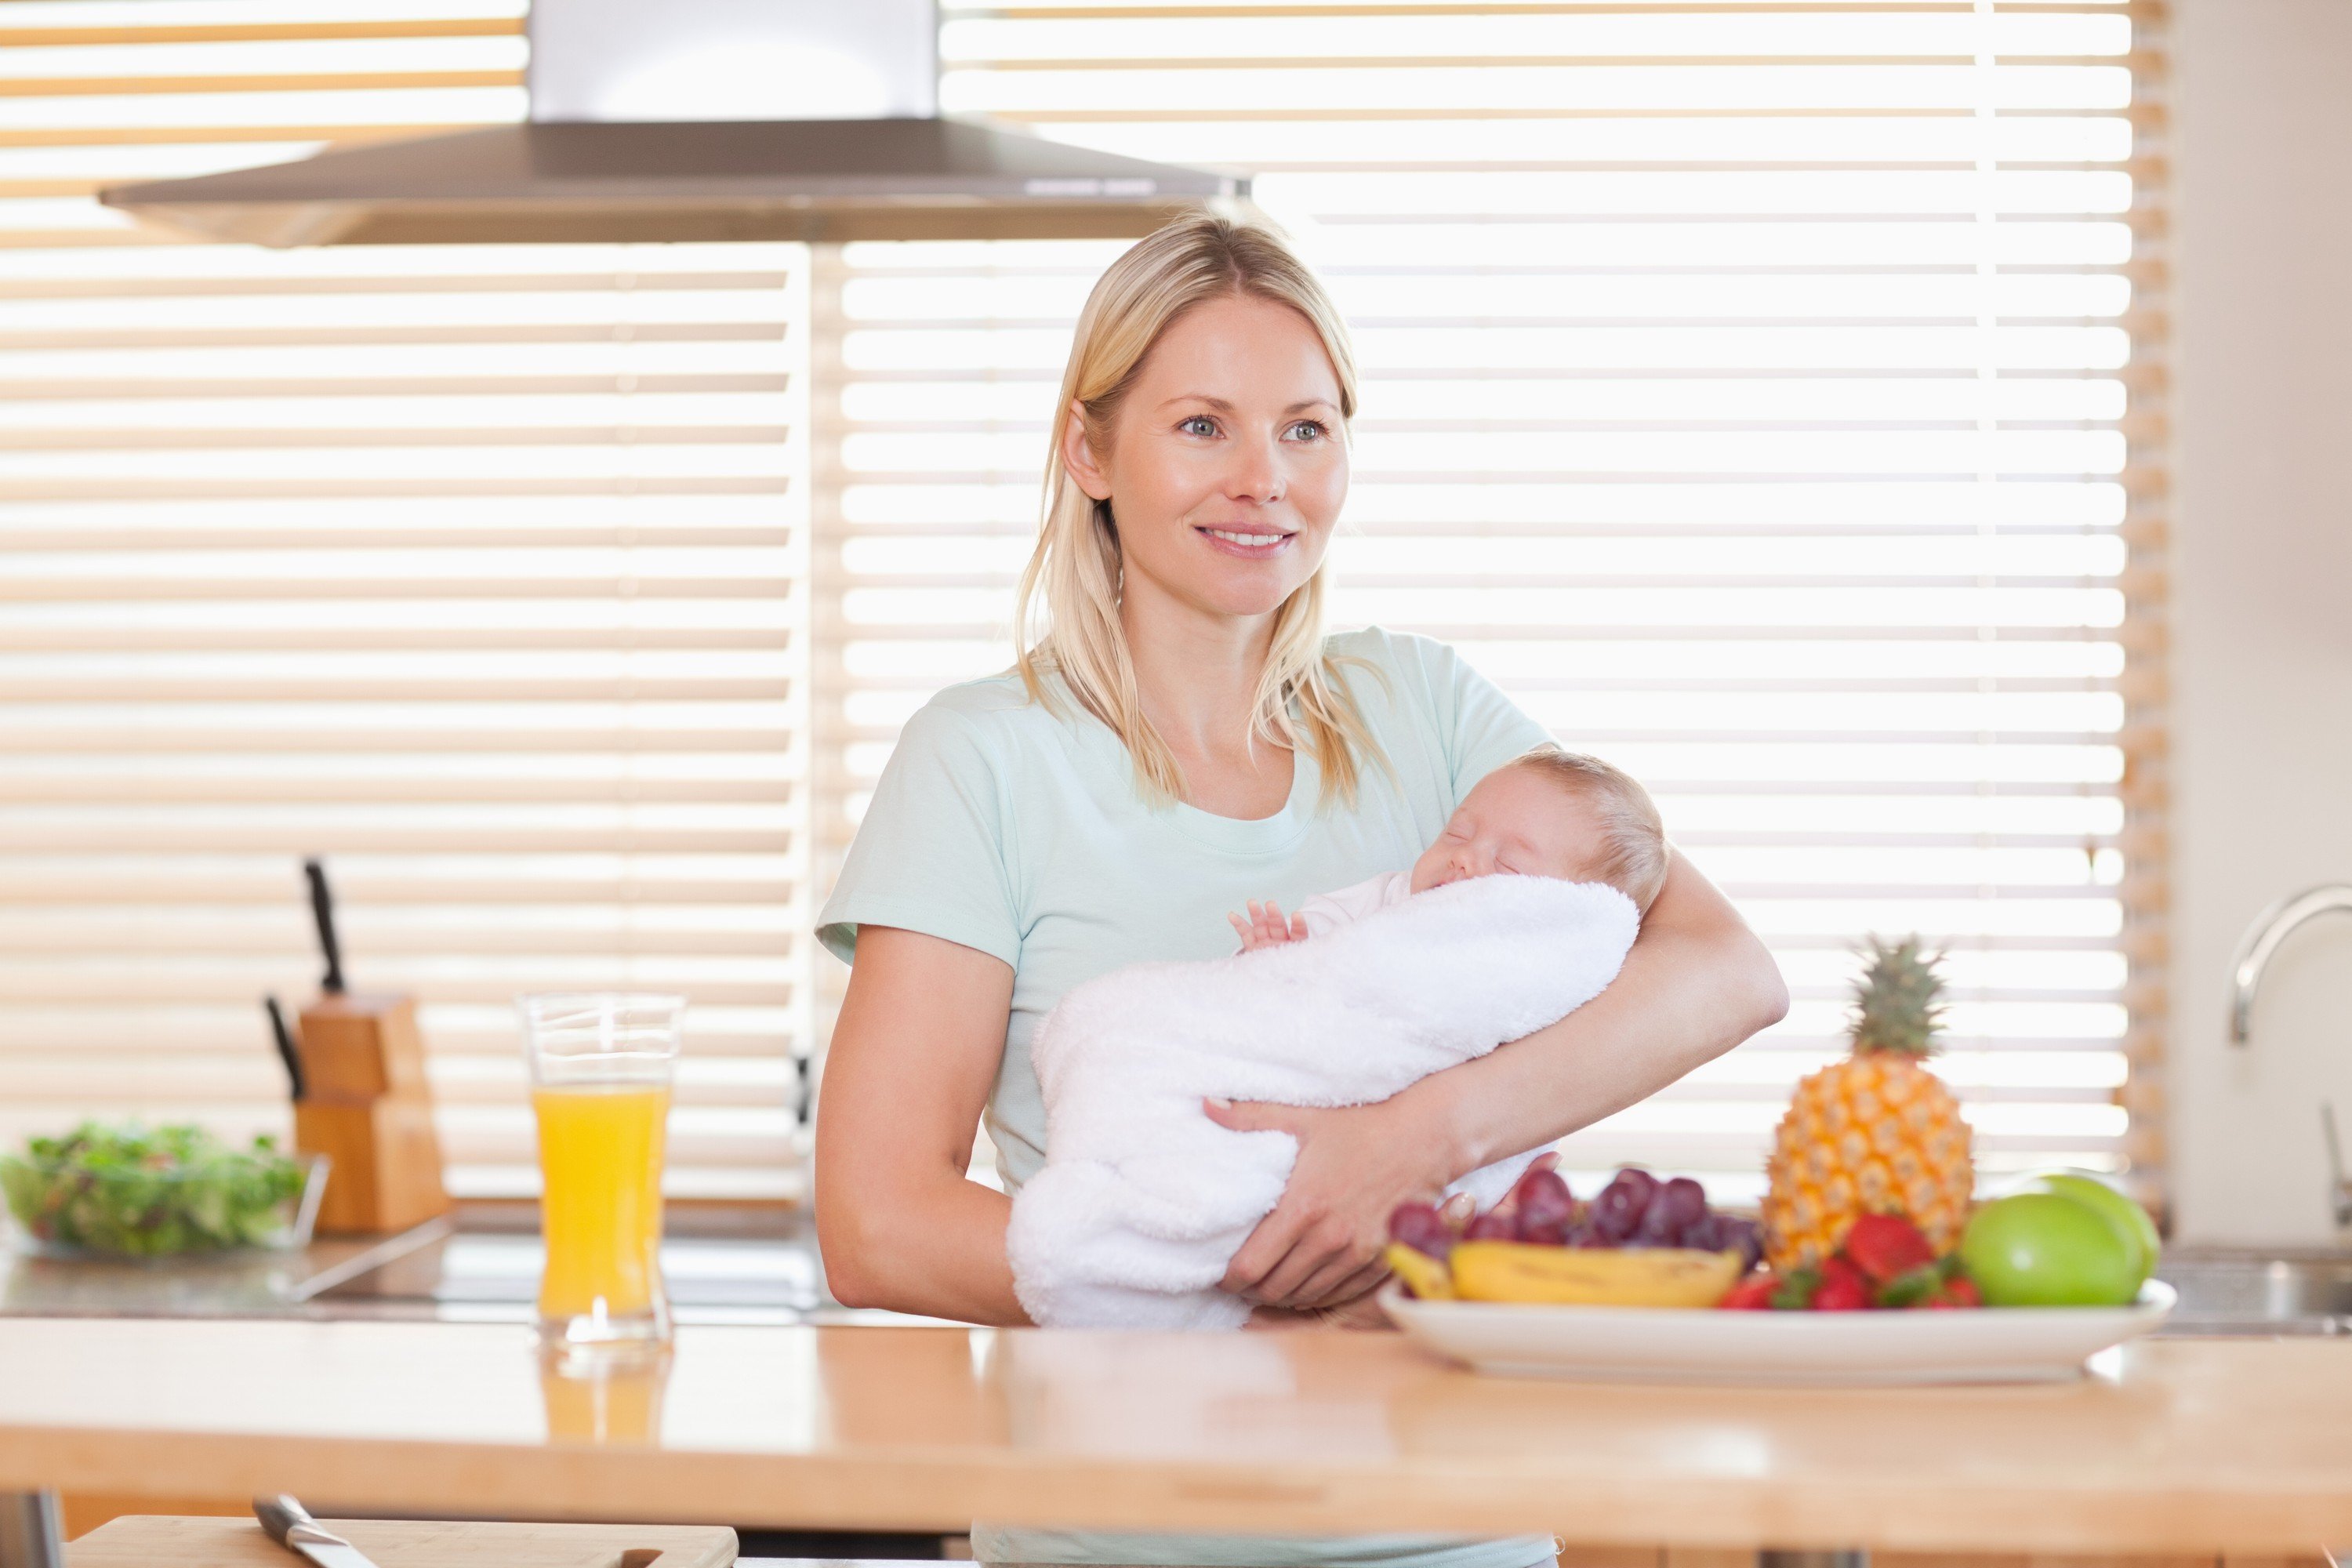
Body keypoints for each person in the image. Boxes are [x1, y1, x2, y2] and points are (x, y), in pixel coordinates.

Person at [814, 215, 1788, 1568]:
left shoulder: (1428, 711)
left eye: (1308, 430)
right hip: (1119, 1544)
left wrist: (1410, 1148)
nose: (1264, 481)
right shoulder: (983, 759)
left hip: (1459, 1536)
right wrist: (1254, 1287)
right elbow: (877, 1225)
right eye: (1202, 426)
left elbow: (1726, 970)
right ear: (1089, 451)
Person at [1229, 746, 1667, 953]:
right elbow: (1326, 923)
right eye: (1457, 834)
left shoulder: (1546, 968)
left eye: (1508, 866)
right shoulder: (1391, 899)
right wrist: (1284, 953)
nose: (1463, 856)